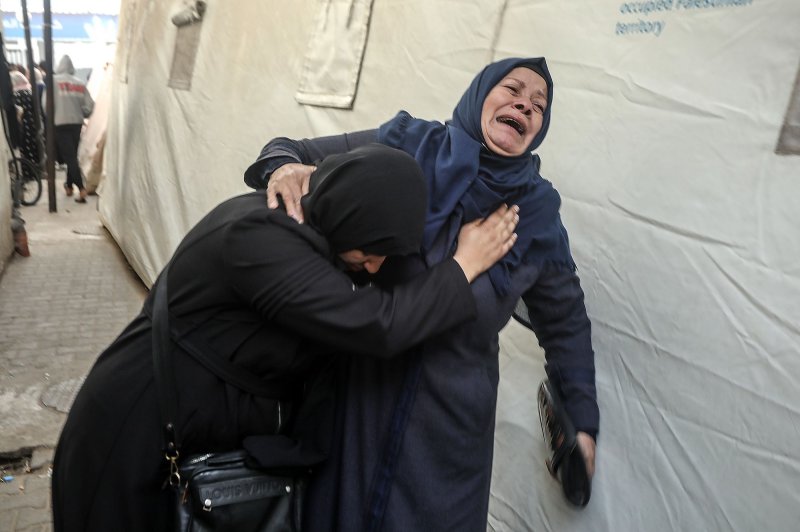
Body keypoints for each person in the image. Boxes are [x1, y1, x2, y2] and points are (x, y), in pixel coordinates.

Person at [51, 143, 519, 531]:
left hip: (188, 436)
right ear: (348, 213)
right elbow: (376, 324)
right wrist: (464, 267)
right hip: (133, 434)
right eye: (372, 251)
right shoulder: (259, 238)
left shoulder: (316, 225)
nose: (376, 267)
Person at [244, 56, 599, 530]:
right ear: (480, 95)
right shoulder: (410, 146)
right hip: (360, 398)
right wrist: (285, 167)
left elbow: (566, 323)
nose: (525, 105)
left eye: (539, 104)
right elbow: (293, 148)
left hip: (449, 434)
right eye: (512, 89)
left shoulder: (535, 215)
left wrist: (583, 421)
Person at [43, 54, 94, 203]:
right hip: (76, 124)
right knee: (71, 155)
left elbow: (45, 105)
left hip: (60, 123)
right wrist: (82, 113)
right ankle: (69, 185)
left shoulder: (52, 81)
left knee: (69, 157)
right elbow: (90, 106)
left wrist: (52, 117)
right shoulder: (80, 83)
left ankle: (81, 188)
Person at [10, 71, 41, 171]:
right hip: (33, 122)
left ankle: (27, 171)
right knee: (33, 145)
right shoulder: (30, 92)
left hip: (22, 123)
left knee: (25, 147)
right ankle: (36, 169)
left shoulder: (15, 95)